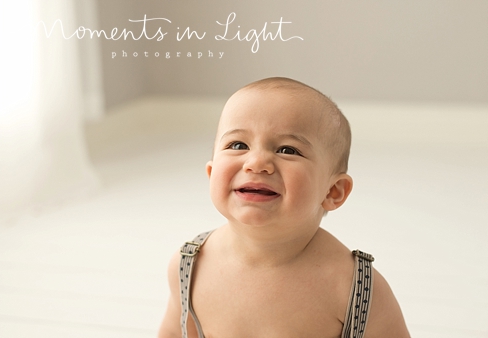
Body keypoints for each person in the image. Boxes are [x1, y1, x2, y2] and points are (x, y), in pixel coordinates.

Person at [158, 78, 409, 337]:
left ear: (333, 192)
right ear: (211, 174)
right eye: (238, 145)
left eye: (287, 149)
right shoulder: (189, 265)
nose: (256, 162)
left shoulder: (352, 288)